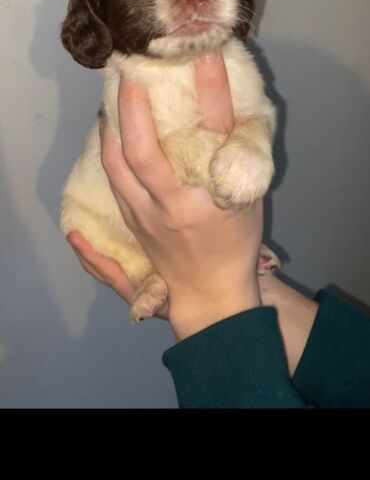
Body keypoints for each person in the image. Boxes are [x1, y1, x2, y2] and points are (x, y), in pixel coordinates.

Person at [68, 52, 370, 408]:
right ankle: (151, 272)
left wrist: (209, 301)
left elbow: (258, 116)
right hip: (113, 232)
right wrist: (242, 283)